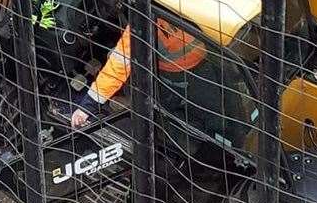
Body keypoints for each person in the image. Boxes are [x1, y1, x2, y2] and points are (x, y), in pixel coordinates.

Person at [53, 18, 206, 127]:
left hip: (176, 73)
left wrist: (87, 107)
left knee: (171, 112)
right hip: (208, 59)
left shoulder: (143, 18)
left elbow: (118, 65)